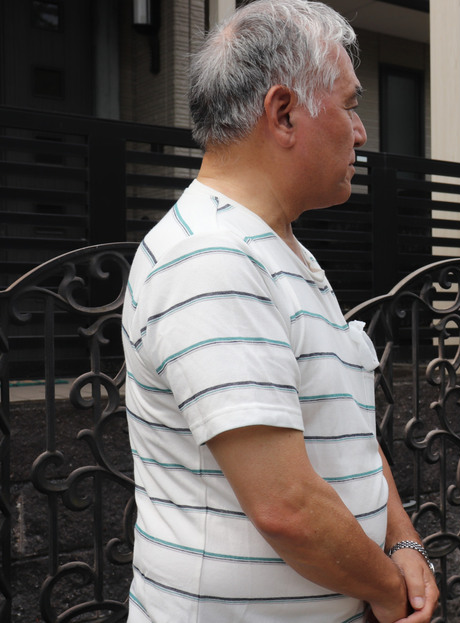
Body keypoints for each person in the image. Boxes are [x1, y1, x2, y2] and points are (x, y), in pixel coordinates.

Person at [121, 1, 438, 621]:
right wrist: (389, 591)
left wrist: (401, 538)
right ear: (284, 112)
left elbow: (342, 428)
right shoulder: (210, 258)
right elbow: (287, 508)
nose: (360, 130)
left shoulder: (280, 249)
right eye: (350, 104)